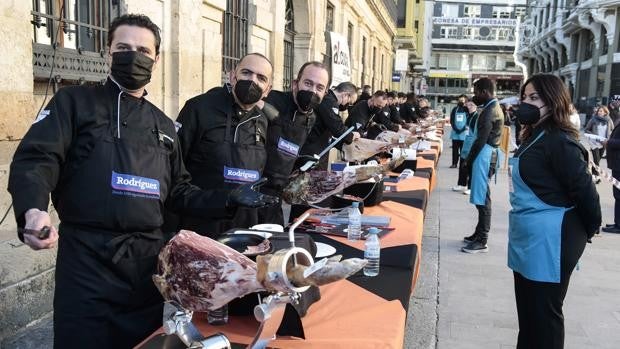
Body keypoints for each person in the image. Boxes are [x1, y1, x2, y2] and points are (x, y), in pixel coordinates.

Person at [7, 14, 275, 349]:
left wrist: (227, 200)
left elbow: (179, 191)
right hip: (87, 266)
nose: (134, 56)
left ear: (156, 59)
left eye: (143, 51)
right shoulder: (74, 103)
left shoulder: (163, 126)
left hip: (145, 272)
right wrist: (32, 210)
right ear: (109, 52)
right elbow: (37, 158)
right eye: (124, 47)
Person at [507, 73, 601, 349]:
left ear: (554, 100)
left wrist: (587, 229)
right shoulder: (533, 136)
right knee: (528, 316)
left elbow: (586, 193)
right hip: (527, 237)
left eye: (534, 98)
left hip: (552, 239)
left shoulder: (559, 141)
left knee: (544, 318)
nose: (527, 103)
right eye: (525, 97)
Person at [171, 53, 278, 237]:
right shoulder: (198, 108)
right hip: (200, 226)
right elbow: (174, 170)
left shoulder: (262, 121)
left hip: (244, 229)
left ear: (267, 90)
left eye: (261, 78)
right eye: (246, 73)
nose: (252, 80)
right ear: (232, 76)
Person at [260, 61, 330, 225]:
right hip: (255, 186)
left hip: (277, 194)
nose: (312, 91)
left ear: (325, 93)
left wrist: (300, 162)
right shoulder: (272, 100)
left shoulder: (311, 118)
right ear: (295, 84)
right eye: (308, 83)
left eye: (319, 88)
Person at [461, 78, 503, 254]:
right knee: (482, 196)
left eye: (476, 91)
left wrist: (469, 160)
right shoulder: (492, 107)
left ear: (485, 92)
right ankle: (479, 233)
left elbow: (481, 139)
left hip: (484, 154)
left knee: (483, 199)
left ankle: (482, 239)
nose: (474, 95)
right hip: (487, 153)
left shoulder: (489, 111)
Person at [299, 81, 361, 171]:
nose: (348, 105)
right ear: (345, 95)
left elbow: (330, 130)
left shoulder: (330, 100)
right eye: (350, 102)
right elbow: (336, 127)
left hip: (317, 147)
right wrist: (351, 135)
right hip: (312, 148)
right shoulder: (329, 101)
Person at [453, 101, 478, 194]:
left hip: (472, 143)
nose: (469, 107)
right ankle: (461, 184)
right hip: (466, 141)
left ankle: (470, 187)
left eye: (472, 105)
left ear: (476, 106)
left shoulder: (476, 117)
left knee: (471, 165)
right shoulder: (468, 115)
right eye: (468, 105)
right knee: (463, 163)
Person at [584, 106, 613, 184]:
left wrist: (609, 138)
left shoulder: (608, 120)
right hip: (594, 143)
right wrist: (594, 135)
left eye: (601, 111)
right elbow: (586, 129)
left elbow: (612, 129)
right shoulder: (593, 119)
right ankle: (597, 176)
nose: (599, 112)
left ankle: (593, 174)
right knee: (596, 159)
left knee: (598, 160)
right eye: (599, 111)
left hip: (603, 143)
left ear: (605, 112)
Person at [602, 116, 620, 233]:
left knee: (619, 195)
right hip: (617, 163)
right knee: (617, 195)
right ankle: (617, 222)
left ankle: (619, 226)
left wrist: (609, 142)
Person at [449, 95, 469, 168]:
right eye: (460, 100)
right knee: (455, 149)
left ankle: (462, 164)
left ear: (465, 101)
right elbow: (451, 120)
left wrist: (462, 129)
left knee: (463, 150)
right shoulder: (455, 109)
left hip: (463, 133)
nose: (461, 101)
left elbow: (468, 121)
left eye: (463, 100)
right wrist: (455, 128)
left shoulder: (467, 110)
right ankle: (454, 163)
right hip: (455, 133)